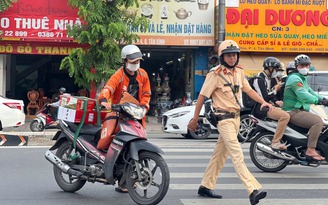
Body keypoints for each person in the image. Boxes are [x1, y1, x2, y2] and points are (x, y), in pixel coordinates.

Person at [188, 40, 272, 205]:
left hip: (236, 119)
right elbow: (202, 96)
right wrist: (195, 118)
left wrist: (263, 102)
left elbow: (248, 90)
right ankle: (252, 190)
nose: (232, 58)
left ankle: (205, 186)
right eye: (229, 55)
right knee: (237, 154)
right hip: (223, 119)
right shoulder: (215, 74)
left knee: (219, 155)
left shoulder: (239, 72)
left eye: (234, 55)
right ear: (222, 57)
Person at [98, 44, 151, 192]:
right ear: (125, 60)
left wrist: (144, 106)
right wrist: (103, 100)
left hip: (136, 116)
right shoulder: (118, 75)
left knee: (134, 147)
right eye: (132, 61)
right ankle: (104, 163)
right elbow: (109, 88)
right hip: (117, 114)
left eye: (137, 61)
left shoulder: (143, 75)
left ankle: (125, 181)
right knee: (106, 141)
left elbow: (146, 94)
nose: (135, 64)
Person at [282, 54, 328, 161]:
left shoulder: (302, 78)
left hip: (300, 110)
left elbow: (311, 92)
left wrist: (324, 99)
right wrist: (318, 101)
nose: (305, 68)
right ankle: (310, 150)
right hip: (292, 111)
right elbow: (302, 94)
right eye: (302, 65)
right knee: (317, 122)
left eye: (307, 65)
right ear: (296, 66)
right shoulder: (294, 78)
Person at [252, 57, 290, 150]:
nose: (276, 71)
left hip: (269, 106)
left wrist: (276, 100)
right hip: (261, 108)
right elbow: (263, 98)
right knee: (285, 116)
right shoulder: (259, 79)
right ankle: (275, 142)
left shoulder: (268, 78)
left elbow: (270, 95)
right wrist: (275, 90)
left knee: (289, 112)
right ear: (270, 68)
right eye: (276, 69)